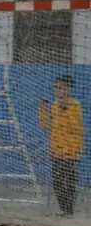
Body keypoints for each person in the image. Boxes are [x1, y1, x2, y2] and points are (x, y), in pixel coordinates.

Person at [40, 75, 84, 217]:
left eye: (62, 88)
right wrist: (43, 109)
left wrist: (66, 110)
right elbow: (46, 125)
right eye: (56, 87)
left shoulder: (75, 105)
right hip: (57, 151)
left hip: (71, 151)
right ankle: (64, 211)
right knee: (58, 183)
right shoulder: (54, 106)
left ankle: (68, 211)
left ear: (69, 89)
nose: (58, 91)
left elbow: (76, 127)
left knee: (68, 181)